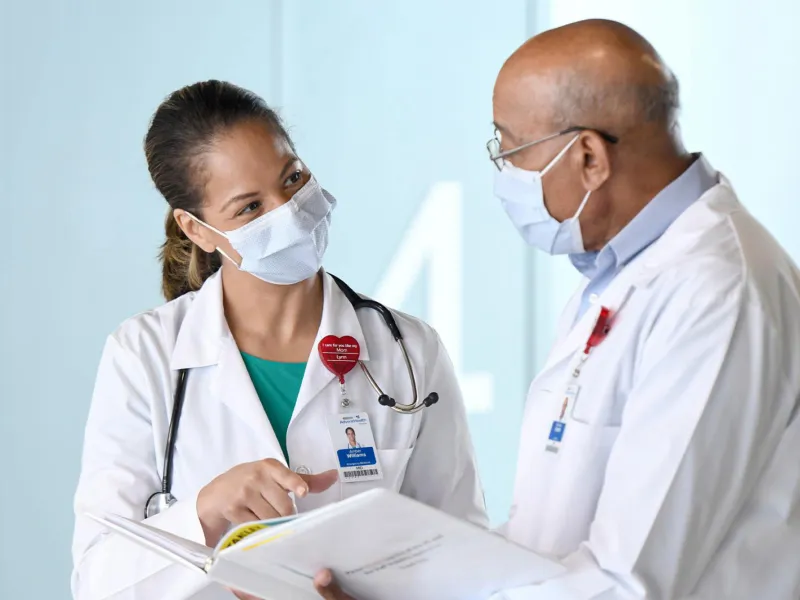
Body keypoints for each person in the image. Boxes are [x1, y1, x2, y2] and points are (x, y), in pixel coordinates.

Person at [315, 19, 800, 600]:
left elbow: (628, 581)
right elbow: (552, 541)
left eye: (510, 148)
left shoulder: (717, 289)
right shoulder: (617, 274)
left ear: (590, 157)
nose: (504, 173)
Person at [71, 80, 487, 600]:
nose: (288, 212)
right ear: (196, 229)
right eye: (249, 208)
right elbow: (96, 578)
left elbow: (465, 561)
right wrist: (205, 511)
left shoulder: (409, 350)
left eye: (292, 178)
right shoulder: (145, 355)